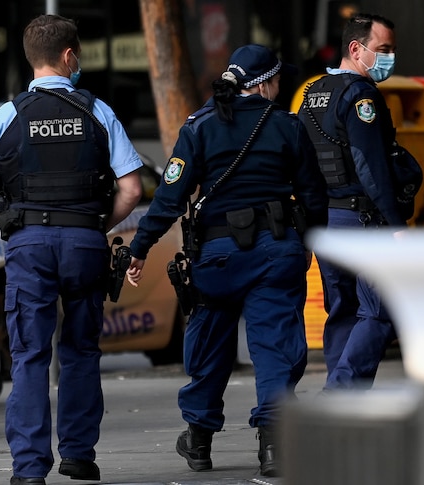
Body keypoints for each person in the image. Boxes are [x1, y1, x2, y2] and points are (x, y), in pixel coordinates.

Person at [125, 44, 328, 477]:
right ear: (266, 82)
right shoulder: (288, 127)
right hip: (276, 251)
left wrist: (140, 247)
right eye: (278, 80)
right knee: (275, 347)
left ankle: (198, 440)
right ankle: (273, 445)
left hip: (216, 257)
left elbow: (169, 197)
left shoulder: (200, 126)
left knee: (209, 344)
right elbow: (313, 197)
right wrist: (307, 245)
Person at [0, 14, 143, 485]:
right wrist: (94, 225)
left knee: (29, 355)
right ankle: (80, 457)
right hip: (85, 243)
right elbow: (131, 188)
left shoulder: (8, 115)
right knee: (82, 350)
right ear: (69, 57)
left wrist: (14, 225)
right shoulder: (97, 111)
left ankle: (28, 470)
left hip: (28, 245)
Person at [299, 13, 410, 390]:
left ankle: (340, 419)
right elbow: (371, 166)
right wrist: (396, 225)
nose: (389, 57)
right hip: (362, 222)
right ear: (355, 49)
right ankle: (341, 394)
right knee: (381, 310)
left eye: (393, 50)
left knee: (343, 310)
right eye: (383, 49)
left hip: (325, 222)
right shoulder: (361, 96)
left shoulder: (312, 93)